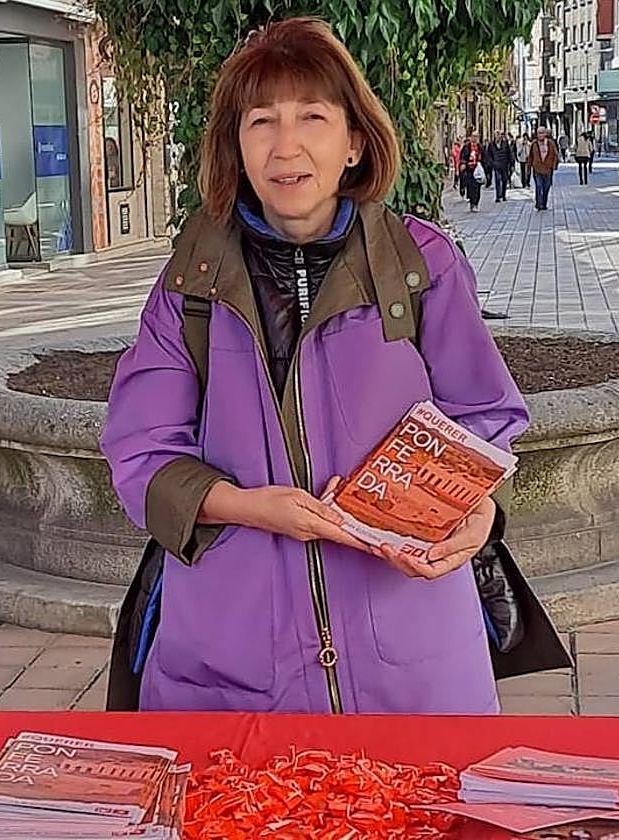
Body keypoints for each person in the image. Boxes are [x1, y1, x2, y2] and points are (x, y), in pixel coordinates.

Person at [101, 17, 535, 714]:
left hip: (413, 654)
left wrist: (475, 508)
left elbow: (483, 417)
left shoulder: (419, 264)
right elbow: (140, 451)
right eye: (261, 122)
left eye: (313, 117)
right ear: (235, 145)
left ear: (353, 141)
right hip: (232, 653)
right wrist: (250, 507)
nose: (286, 145)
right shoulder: (191, 284)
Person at [527, 126, 560, 210]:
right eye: (539, 133)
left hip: (548, 169)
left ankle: (544, 203)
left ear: (545, 134)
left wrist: (554, 166)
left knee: (546, 186)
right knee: (539, 186)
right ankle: (539, 203)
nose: (541, 135)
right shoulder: (534, 144)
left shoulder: (550, 143)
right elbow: (530, 156)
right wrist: (529, 168)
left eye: (542, 133)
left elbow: (555, 155)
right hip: (537, 169)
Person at [486, 130, 513, 203]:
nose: (498, 136)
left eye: (499, 134)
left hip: (504, 164)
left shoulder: (505, 143)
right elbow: (489, 155)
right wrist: (491, 163)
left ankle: (503, 195)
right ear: (494, 136)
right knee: (497, 180)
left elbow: (509, 153)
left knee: (504, 180)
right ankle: (498, 196)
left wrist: (511, 163)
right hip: (496, 165)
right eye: (496, 134)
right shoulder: (491, 144)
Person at [459, 133, 484, 211]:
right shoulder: (466, 147)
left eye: (476, 137)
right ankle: (472, 203)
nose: (474, 138)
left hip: (477, 170)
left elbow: (484, 157)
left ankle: (476, 203)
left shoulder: (480, 147)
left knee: (477, 187)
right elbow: (462, 157)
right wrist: (463, 164)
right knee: (470, 187)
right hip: (469, 170)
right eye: (473, 137)